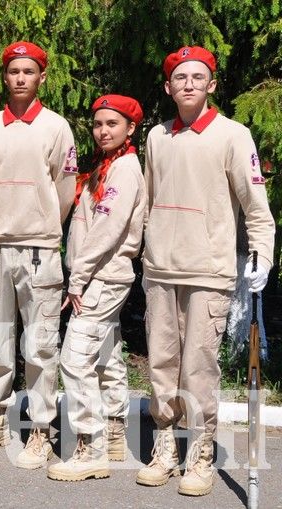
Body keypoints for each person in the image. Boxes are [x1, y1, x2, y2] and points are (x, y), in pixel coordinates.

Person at [136, 46, 274, 496]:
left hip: (208, 270)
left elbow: (256, 207)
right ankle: (165, 445)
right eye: (180, 78)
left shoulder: (233, 135)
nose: (189, 84)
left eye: (198, 77)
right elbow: (150, 200)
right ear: (168, 87)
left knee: (198, 366)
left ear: (212, 84)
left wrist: (263, 255)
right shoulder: (156, 137)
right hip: (160, 267)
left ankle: (200, 452)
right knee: (161, 363)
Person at [0, 41, 77, 469]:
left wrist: (42, 222)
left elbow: (65, 190)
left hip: (39, 251)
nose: (20, 78)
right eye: (13, 71)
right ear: (5, 76)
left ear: (41, 77)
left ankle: (41, 428)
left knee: (40, 345)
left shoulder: (56, 127)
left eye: (28, 72)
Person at [47, 94, 146, 482]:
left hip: (101, 277)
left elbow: (107, 231)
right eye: (98, 124)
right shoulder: (110, 165)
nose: (102, 131)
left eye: (112, 124)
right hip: (102, 275)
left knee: (74, 360)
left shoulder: (124, 169)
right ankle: (117, 430)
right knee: (106, 355)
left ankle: (92, 446)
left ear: (131, 128)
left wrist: (78, 277)